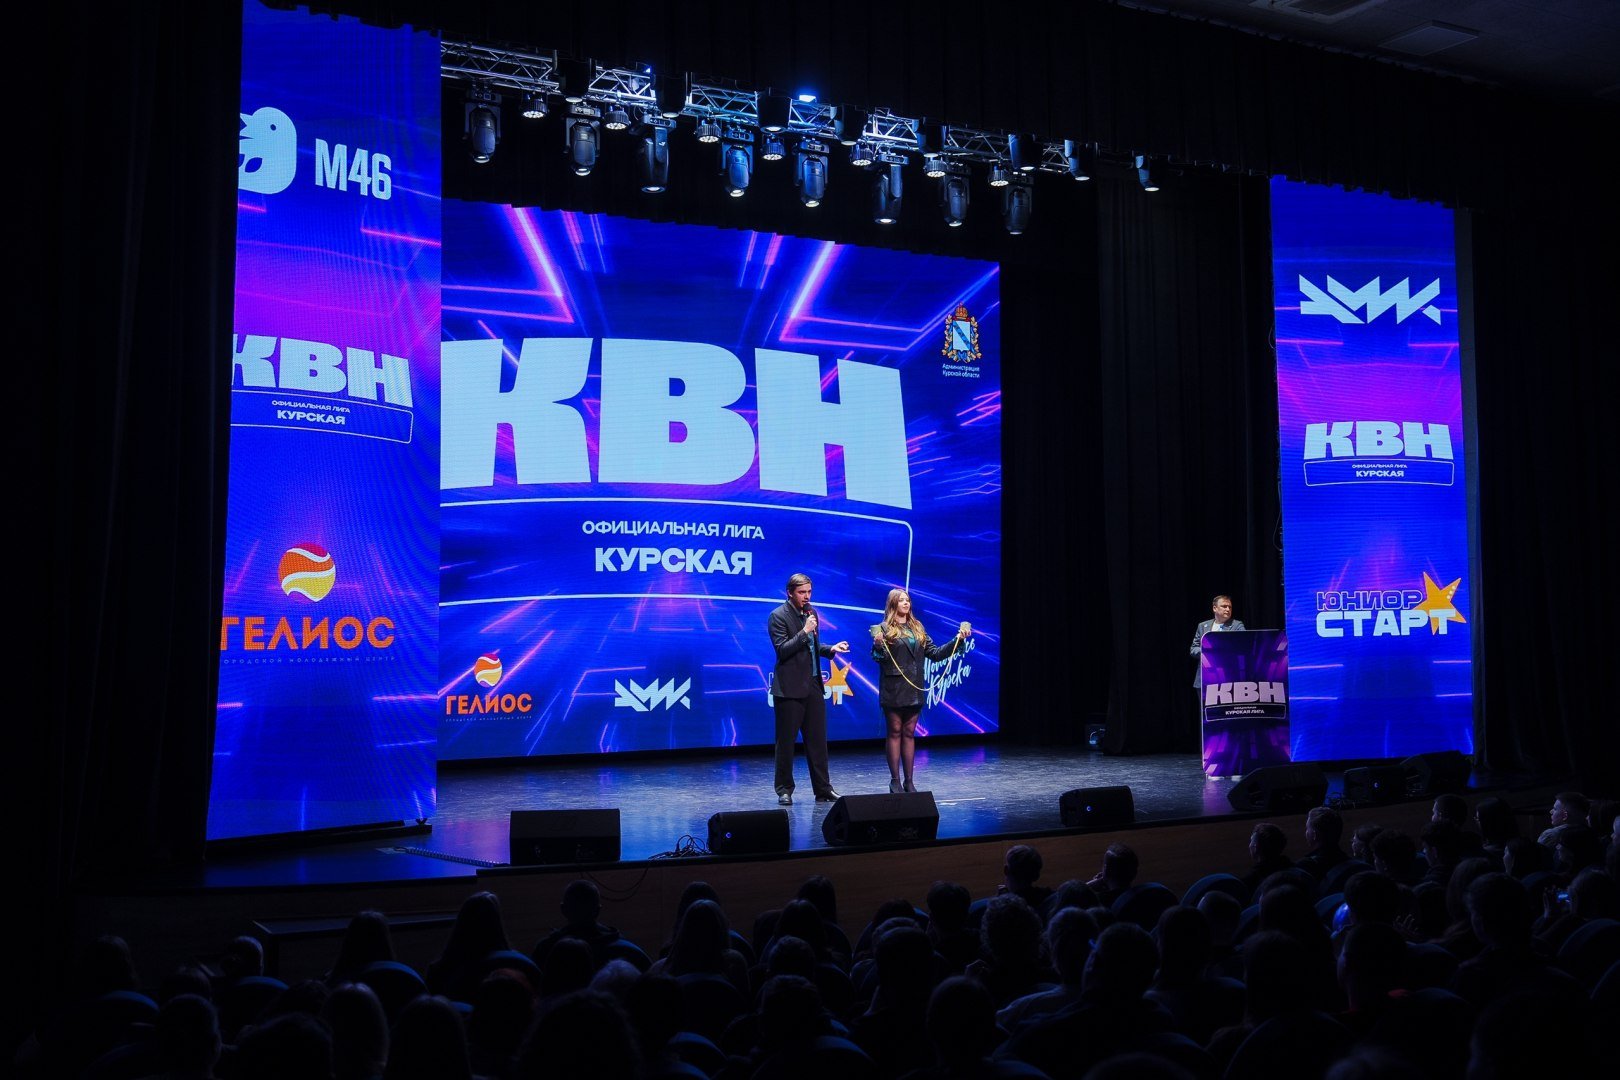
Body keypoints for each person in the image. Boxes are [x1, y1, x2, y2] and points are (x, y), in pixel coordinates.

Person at [867, 587, 969, 793]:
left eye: (908, 600)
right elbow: (880, 658)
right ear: (893, 604)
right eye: (901, 600)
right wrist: (878, 646)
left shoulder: (918, 627)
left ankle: (909, 781)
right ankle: (895, 780)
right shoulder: (884, 628)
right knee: (895, 732)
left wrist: (957, 640)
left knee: (909, 733)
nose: (906, 603)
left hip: (914, 688)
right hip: (894, 689)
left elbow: (935, 653)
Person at [767, 573, 849, 805]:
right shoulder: (778, 616)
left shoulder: (811, 613)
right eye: (802, 592)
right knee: (786, 743)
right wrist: (804, 631)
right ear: (790, 593)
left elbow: (812, 647)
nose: (807, 596)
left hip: (813, 685)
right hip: (789, 688)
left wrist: (830, 648)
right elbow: (783, 650)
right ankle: (784, 789)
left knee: (817, 742)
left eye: (809, 592)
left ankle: (823, 789)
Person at [1189, 594, 1246, 686]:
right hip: (1205, 678)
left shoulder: (1237, 625)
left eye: (1230, 607)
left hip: (1229, 677)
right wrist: (1208, 652)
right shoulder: (1202, 626)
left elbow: (1243, 646)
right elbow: (1193, 649)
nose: (1228, 609)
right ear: (1215, 608)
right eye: (1224, 606)